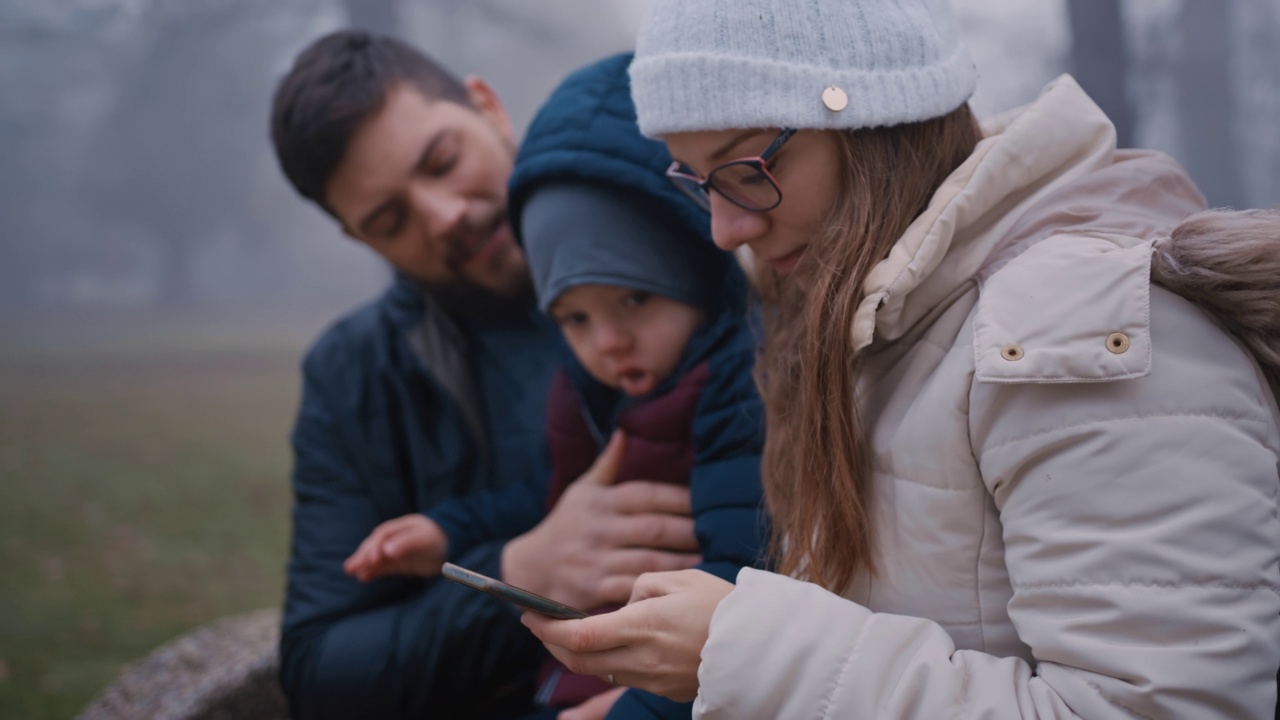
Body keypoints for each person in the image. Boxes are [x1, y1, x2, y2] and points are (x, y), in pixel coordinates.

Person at [522, 1, 1280, 718]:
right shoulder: (861, 316)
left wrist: (749, 656)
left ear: (874, 120)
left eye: (747, 169)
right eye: (697, 181)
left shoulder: (1075, 327)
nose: (724, 230)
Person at [269, 31, 703, 719]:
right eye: (391, 220)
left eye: (443, 161)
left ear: (487, 107)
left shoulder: (687, 227)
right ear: (358, 239)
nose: (444, 217)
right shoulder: (353, 375)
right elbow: (322, 672)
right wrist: (517, 572)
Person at [344, 53, 769, 720]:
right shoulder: (594, 390)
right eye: (574, 317)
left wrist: (632, 708)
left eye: (634, 300)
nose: (607, 342)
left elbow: (741, 588)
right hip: (587, 665)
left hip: (672, 682)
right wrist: (447, 534)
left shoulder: (736, 393)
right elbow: (544, 496)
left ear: (697, 273)